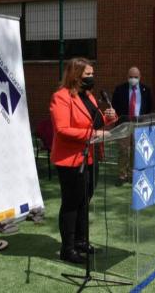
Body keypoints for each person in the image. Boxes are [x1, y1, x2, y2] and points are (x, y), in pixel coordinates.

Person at [50, 58, 117, 264]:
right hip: (70, 161)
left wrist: (109, 118)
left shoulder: (89, 96)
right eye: (87, 74)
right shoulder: (60, 97)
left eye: (92, 74)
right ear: (75, 75)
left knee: (84, 202)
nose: (91, 78)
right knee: (71, 204)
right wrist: (94, 133)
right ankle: (67, 249)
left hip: (90, 157)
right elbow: (62, 130)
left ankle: (81, 241)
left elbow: (94, 123)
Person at [112, 66, 153, 183]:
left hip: (139, 125)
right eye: (131, 77)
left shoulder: (146, 90)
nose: (133, 79)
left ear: (140, 77)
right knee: (123, 150)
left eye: (135, 77)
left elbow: (149, 108)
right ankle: (122, 175)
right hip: (124, 124)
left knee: (135, 151)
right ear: (127, 77)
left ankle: (131, 174)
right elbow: (114, 107)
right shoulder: (120, 89)